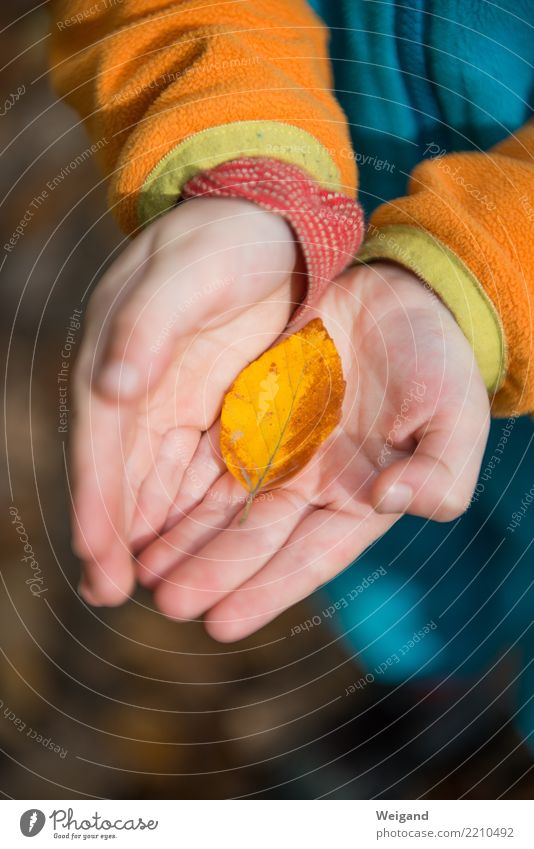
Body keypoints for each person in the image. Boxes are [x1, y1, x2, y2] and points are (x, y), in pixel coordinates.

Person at [50, 1, 533, 745]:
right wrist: (248, 169)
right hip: (335, 255)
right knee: (376, 512)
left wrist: (486, 265)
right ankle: (434, 684)